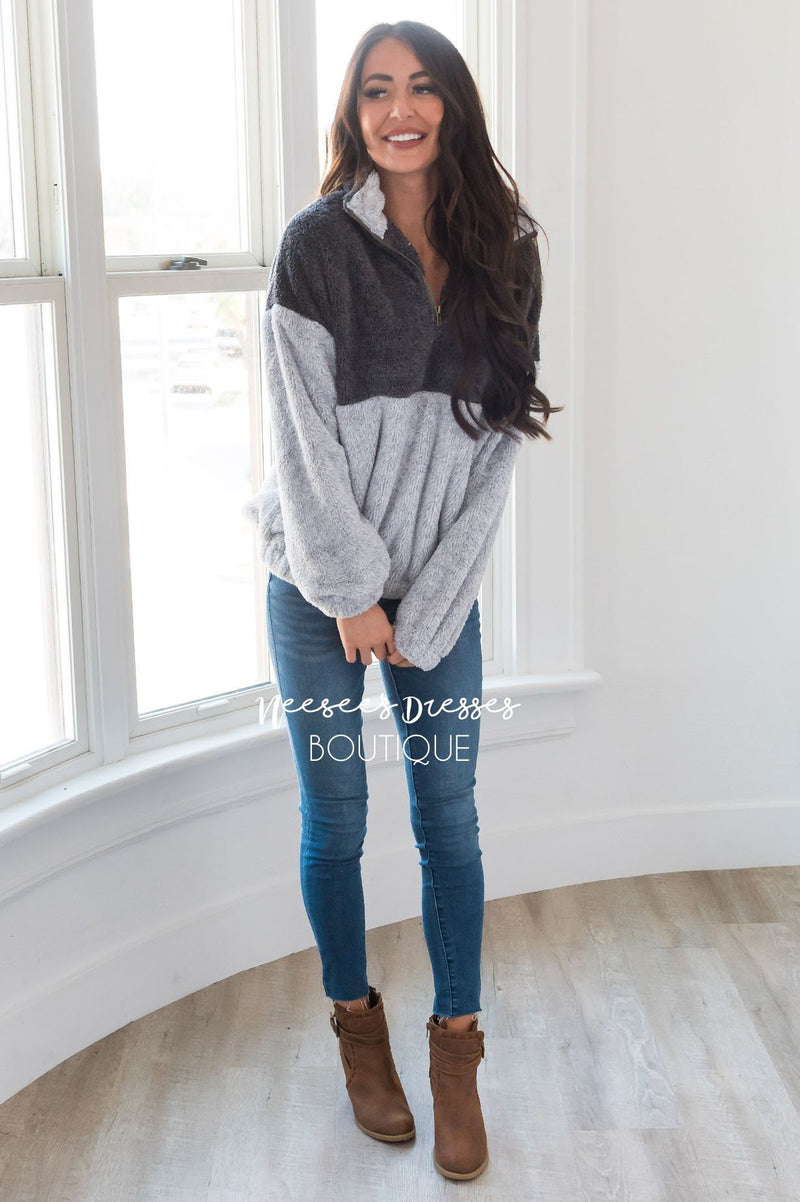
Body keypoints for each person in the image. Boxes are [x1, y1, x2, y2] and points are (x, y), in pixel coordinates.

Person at [242, 19, 558, 1182]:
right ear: (354, 113)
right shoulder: (314, 246)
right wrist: (345, 593)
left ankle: (454, 1053)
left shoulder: (506, 251)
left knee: (448, 821)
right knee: (335, 819)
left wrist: (424, 606)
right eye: (375, 90)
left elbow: (498, 444)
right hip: (313, 589)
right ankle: (357, 1029)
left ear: (452, 106)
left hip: (434, 587)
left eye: (421, 87)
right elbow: (300, 441)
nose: (398, 109)